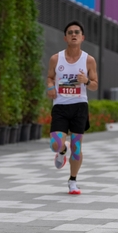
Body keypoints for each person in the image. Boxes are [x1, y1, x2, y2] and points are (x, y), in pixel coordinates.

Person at [47, 21, 98, 195]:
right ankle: (62, 150)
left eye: (77, 32)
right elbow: (49, 77)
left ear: (82, 37)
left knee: (77, 147)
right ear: (65, 38)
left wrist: (86, 81)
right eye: (70, 32)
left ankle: (73, 181)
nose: (74, 35)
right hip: (60, 106)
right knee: (55, 144)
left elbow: (95, 85)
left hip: (79, 106)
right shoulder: (56, 58)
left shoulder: (88, 60)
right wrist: (50, 87)